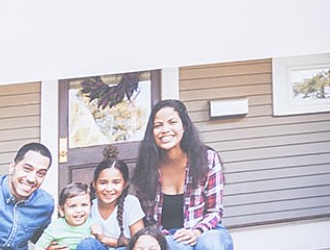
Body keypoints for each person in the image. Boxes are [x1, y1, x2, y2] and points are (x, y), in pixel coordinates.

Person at [130, 100, 231, 250]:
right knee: (178, 246)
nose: (165, 130)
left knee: (210, 244)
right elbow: (149, 218)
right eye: (158, 125)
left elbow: (215, 211)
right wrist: (167, 235)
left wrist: (196, 232)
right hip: (167, 235)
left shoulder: (207, 159)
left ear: (184, 126)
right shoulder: (147, 166)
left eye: (172, 122)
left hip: (205, 229)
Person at [78, 148, 146, 250]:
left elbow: (140, 242)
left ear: (125, 184)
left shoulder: (131, 203)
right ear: (94, 184)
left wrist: (104, 239)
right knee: (87, 244)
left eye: (116, 182)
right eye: (103, 183)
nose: (109, 189)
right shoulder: (88, 206)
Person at [33, 183, 95, 250]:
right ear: (62, 210)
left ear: (91, 206)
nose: (79, 210)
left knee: (88, 243)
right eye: (73, 206)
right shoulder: (55, 227)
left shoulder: (93, 225)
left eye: (84, 205)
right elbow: (39, 246)